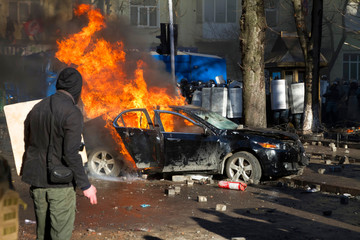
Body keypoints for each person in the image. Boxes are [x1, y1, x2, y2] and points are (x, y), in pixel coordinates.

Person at [21, 67, 97, 240]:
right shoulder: (72, 112)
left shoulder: (37, 108)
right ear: (77, 89)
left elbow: (28, 143)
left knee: (43, 234)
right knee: (59, 236)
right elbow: (70, 153)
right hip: (60, 187)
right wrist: (86, 186)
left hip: (38, 184)